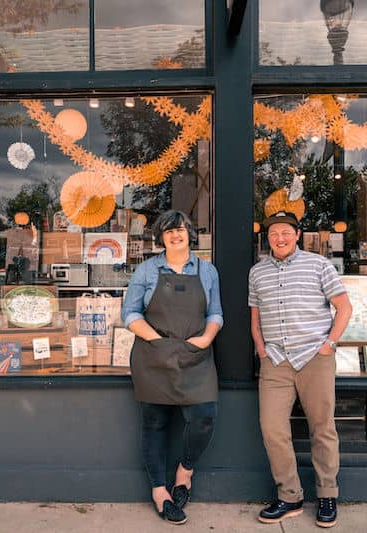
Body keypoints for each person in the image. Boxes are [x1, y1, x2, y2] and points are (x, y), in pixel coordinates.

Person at [248, 210, 352, 528]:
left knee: (322, 427)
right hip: (276, 362)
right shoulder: (257, 272)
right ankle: (290, 496)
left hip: (314, 358)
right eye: (273, 233)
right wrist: (261, 348)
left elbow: (344, 307)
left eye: (285, 232)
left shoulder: (319, 265)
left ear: (296, 234)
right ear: (268, 238)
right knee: (272, 429)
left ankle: (327, 495)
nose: (279, 237)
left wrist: (329, 345)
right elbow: (256, 315)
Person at [121, 210, 223, 525]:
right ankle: (159, 491)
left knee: (204, 417)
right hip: (154, 357)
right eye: (168, 231)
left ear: (189, 233)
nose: (174, 235)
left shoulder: (207, 271)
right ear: (161, 237)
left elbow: (216, 313)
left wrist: (206, 339)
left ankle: (185, 471)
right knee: (155, 425)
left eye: (179, 229)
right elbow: (130, 313)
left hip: (195, 356)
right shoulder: (147, 271)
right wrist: (158, 341)